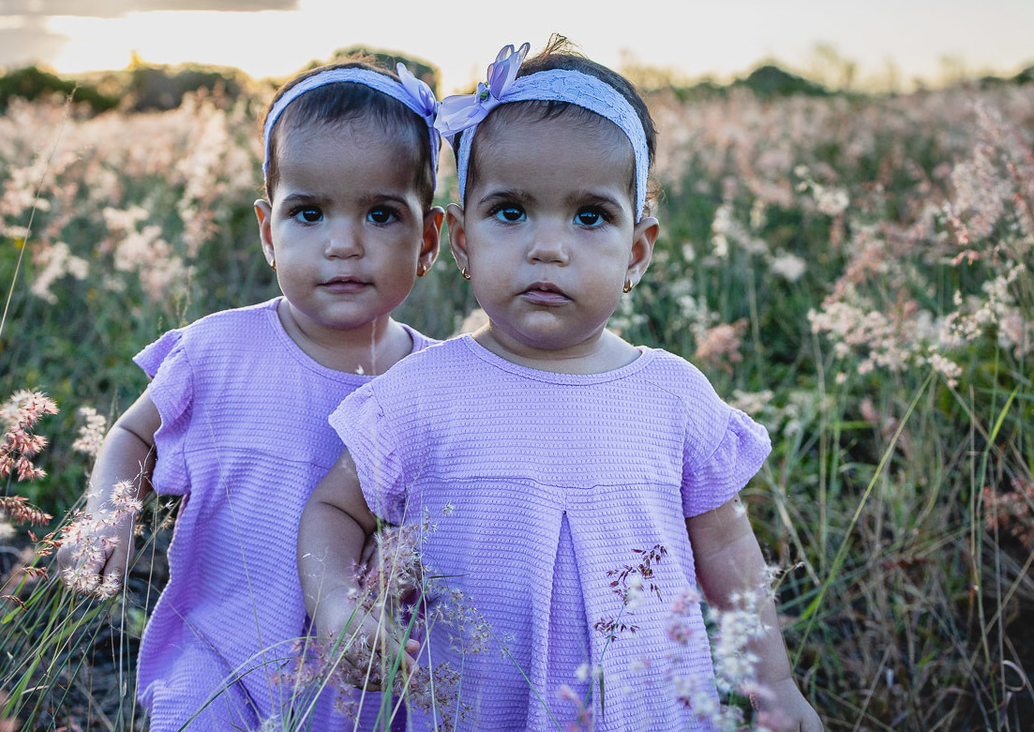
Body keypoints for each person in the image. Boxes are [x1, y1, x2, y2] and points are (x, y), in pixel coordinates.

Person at [297, 39, 824, 731]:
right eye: (511, 211)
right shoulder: (422, 392)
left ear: (636, 252)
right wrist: (336, 603)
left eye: (590, 215)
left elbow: (727, 550)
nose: (549, 246)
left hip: (647, 710)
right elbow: (335, 512)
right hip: (477, 706)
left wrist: (774, 684)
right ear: (460, 240)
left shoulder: (672, 395)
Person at [57, 58, 445, 731]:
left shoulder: (442, 384)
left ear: (430, 239)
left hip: (362, 685)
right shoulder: (218, 352)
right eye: (310, 213)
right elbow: (132, 436)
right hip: (217, 665)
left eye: (382, 214)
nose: (344, 244)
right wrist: (108, 512)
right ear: (269, 231)